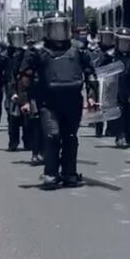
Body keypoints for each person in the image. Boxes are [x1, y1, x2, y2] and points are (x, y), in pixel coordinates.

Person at [24, 13, 96, 187]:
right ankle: (50, 174)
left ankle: (69, 173)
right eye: (54, 28)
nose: (58, 32)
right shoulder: (37, 50)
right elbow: (24, 76)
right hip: (48, 102)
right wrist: (25, 100)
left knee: (70, 137)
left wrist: (92, 97)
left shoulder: (79, 48)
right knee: (52, 136)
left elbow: (90, 73)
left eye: (61, 27)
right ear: (47, 29)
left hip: (73, 102)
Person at [104, 27, 130, 149]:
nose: (125, 44)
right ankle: (120, 136)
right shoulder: (110, 55)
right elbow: (100, 71)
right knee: (119, 113)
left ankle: (128, 135)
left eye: (127, 42)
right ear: (116, 41)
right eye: (122, 41)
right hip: (115, 88)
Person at [19, 18, 45, 166]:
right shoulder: (29, 51)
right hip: (34, 92)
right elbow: (22, 76)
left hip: (51, 91)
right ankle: (36, 152)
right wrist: (24, 100)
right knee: (35, 123)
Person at [1, 26, 29, 152]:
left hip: (27, 88)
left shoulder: (29, 52)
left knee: (28, 117)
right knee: (13, 117)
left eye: (20, 37)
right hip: (11, 86)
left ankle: (29, 142)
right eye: (15, 38)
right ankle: (13, 142)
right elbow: (1, 73)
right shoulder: (5, 54)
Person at [91, 27, 117, 137]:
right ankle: (99, 127)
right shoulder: (95, 51)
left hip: (112, 79)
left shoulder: (115, 50)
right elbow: (94, 65)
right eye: (104, 37)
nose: (106, 40)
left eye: (109, 37)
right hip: (98, 79)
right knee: (98, 104)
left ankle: (111, 128)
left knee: (111, 104)